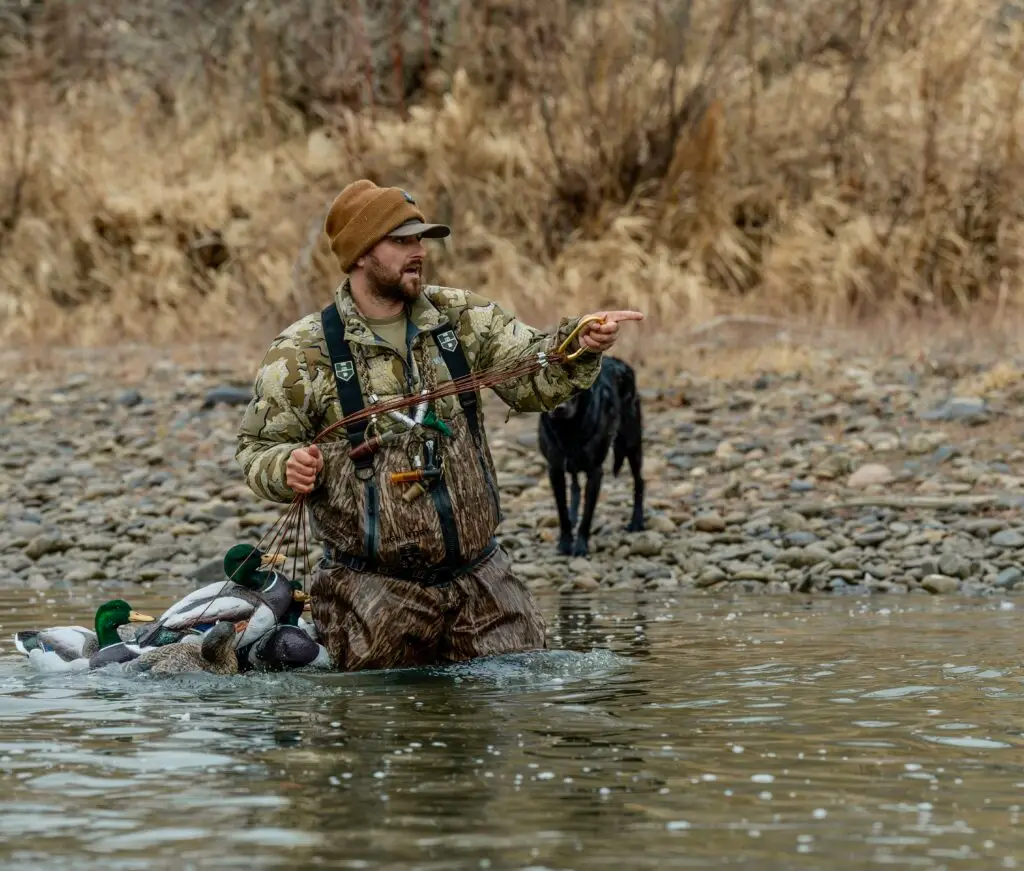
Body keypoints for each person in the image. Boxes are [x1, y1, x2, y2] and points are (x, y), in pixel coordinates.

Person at [235, 179, 643, 672]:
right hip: (369, 589)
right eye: (402, 241)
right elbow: (257, 447)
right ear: (362, 253)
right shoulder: (302, 351)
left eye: (420, 239)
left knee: (525, 689)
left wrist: (581, 342)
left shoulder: (462, 317)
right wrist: (286, 467)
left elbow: (533, 377)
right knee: (379, 720)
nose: (419, 252)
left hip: (482, 580)